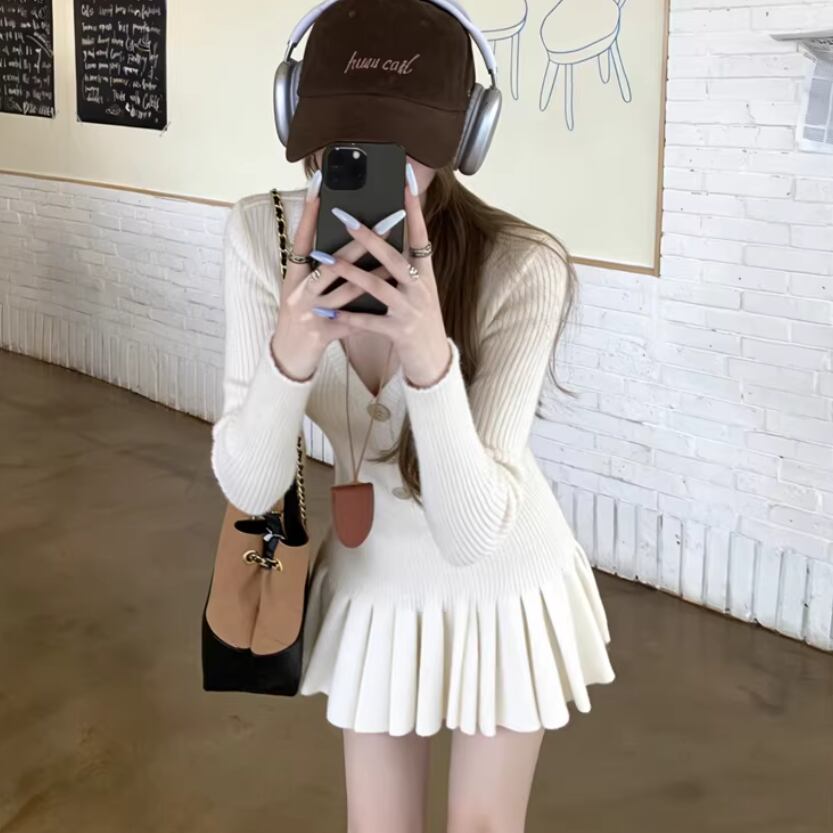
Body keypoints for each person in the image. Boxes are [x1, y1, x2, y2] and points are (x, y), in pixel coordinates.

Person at [211, 1, 616, 830]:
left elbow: (471, 535)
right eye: (343, 139)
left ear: (464, 139)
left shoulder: (521, 266)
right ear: (297, 120)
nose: (376, 166)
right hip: (372, 581)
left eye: (405, 144)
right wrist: (290, 351)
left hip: (502, 578)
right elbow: (251, 487)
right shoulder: (262, 235)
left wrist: (428, 356)